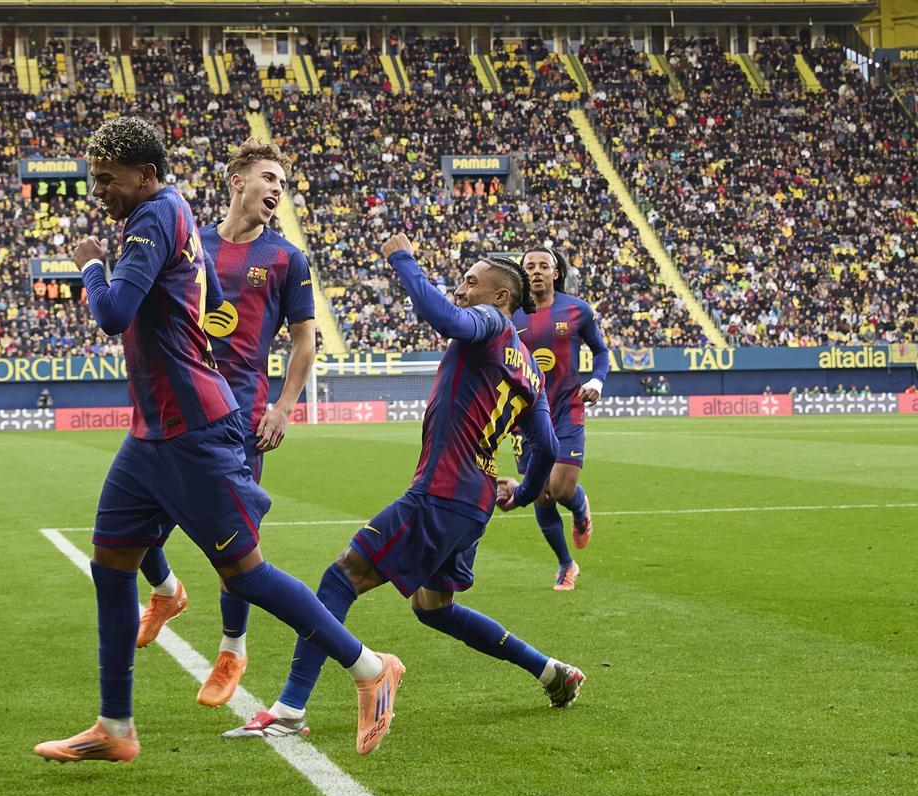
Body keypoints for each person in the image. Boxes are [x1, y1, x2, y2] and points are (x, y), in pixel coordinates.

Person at [33, 116, 404, 764]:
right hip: (153, 432)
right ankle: (115, 726)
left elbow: (113, 313)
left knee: (247, 575)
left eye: (106, 180)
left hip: (193, 432)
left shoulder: (155, 216)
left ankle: (371, 669)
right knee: (111, 563)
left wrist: (92, 266)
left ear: (144, 175)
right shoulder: (161, 215)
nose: (99, 191)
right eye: (94, 180)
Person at [224, 235, 584, 741]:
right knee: (433, 608)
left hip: (441, 492)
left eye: (472, 281)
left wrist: (401, 258)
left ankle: (289, 710)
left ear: (501, 295)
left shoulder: (491, 324)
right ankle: (551, 671)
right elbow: (545, 445)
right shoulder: (529, 367)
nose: (460, 288)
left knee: (341, 576)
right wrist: (523, 492)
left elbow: (449, 320)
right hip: (474, 500)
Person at [134, 137, 318, 709]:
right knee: (132, 528)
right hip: (176, 407)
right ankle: (166, 592)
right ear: (237, 180)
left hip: (240, 420)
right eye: (269, 178)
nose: (278, 190)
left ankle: (233, 648)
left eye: (283, 184)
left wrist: (285, 406)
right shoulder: (193, 244)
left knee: (234, 552)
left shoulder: (287, 258)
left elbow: (306, 340)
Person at [511, 247, 609, 591]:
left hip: (567, 409)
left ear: (555, 272)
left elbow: (600, 352)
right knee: (541, 493)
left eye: (543, 266)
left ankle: (580, 508)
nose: (536, 271)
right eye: (529, 266)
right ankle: (566, 564)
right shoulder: (509, 314)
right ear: (522, 274)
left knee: (561, 488)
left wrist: (596, 380)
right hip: (526, 415)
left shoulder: (576, 309)